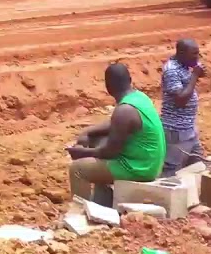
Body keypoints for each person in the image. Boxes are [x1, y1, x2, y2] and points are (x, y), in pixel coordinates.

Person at [67, 63, 165, 205]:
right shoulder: (139, 98)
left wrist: (82, 153)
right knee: (97, 140)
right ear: (130, 80)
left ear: (108, 87)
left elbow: (109, 153)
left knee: (77, 169)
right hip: (147, 161)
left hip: (140, 168)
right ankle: (102, 202)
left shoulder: (124, 110)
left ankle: (80, 213)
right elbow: (116, 124)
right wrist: (88, 132)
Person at [160, 38, 206, 176]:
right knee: (171, 170)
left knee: (198, 164)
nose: (197, 57)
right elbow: (180, 100)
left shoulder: (184, 66)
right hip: (176, 131)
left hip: (188, 128)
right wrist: (194, 76)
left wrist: (195, 74)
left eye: (198, 53)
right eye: (193, 54)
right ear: (181, 53)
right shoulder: (171, 70)